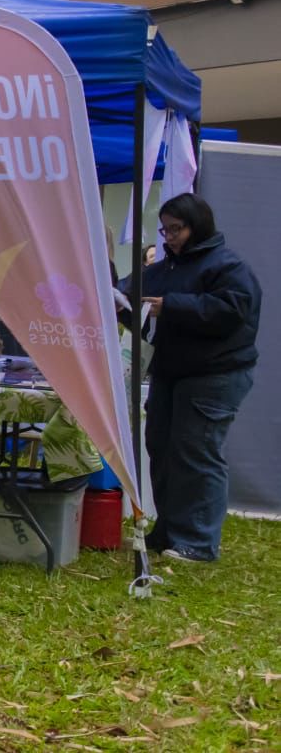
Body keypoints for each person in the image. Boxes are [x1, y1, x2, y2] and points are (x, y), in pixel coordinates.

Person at [133, 194, 260, 563]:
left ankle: (198, 542)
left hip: (215, 375)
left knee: (197, 453)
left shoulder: (228, 267)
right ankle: (170, 531)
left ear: (198, 226)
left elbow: (232, 309)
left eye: (177, 229)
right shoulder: (165, 269)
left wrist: (169, 306)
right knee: (161, 447)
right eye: (165, 229)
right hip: (171, 373)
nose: (169, 237)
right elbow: (134, 294)